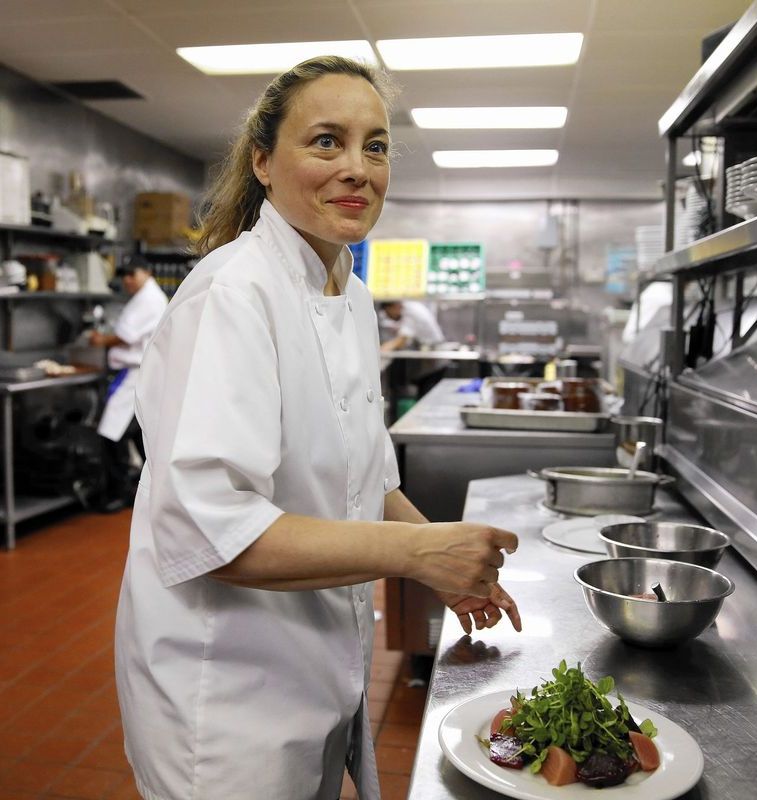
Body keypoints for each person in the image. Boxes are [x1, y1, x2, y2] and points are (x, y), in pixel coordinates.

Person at [114, 56, 522, 800]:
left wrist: (449, 568)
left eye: (375, 145)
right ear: (264, 162)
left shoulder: (352, 295)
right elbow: (212, 533)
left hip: (320, 663)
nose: (357, 169)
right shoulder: (232, 294)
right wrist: (423, 553)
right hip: (230, 692)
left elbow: (370, 481)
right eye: (327, 142)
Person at [89, 256, 167, 509]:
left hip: (134, 373)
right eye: (124, 275)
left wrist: (101, 341)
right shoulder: (146, 296)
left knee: (110, 433)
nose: (127, 280)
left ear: (146, 272)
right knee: (135, 433)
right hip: (137, 372)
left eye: (132, 274)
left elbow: (124, 336)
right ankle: (147, 488)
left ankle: (120, 492)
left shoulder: (150, 298)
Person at [380, 299, 449, 401]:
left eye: (387, 313)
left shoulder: (410, 312)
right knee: (424, 395)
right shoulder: (410, 307)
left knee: (427, 397)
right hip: (429, 360)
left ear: (393, 307)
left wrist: (381, 349)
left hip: (434, 360)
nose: (389, 317)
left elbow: (401, 341)